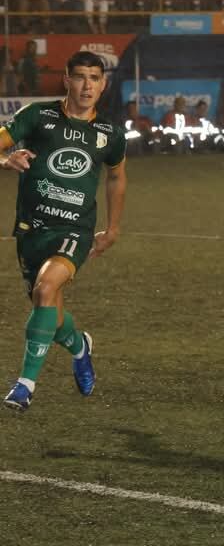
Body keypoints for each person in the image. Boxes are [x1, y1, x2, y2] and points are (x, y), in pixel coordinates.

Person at [2, 51, 127, 413]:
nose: (87, 85)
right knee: (50, 313)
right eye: (80, 77)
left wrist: (113, 227)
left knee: (46, 287)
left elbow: (117, 177)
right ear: (66, 80)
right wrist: (6, 160)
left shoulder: (109, 134)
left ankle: (25, 384)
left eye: (94, 78)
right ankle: (79, 346)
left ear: (103, 85)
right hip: (31, 229)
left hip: (75, 229)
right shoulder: (37, 116)